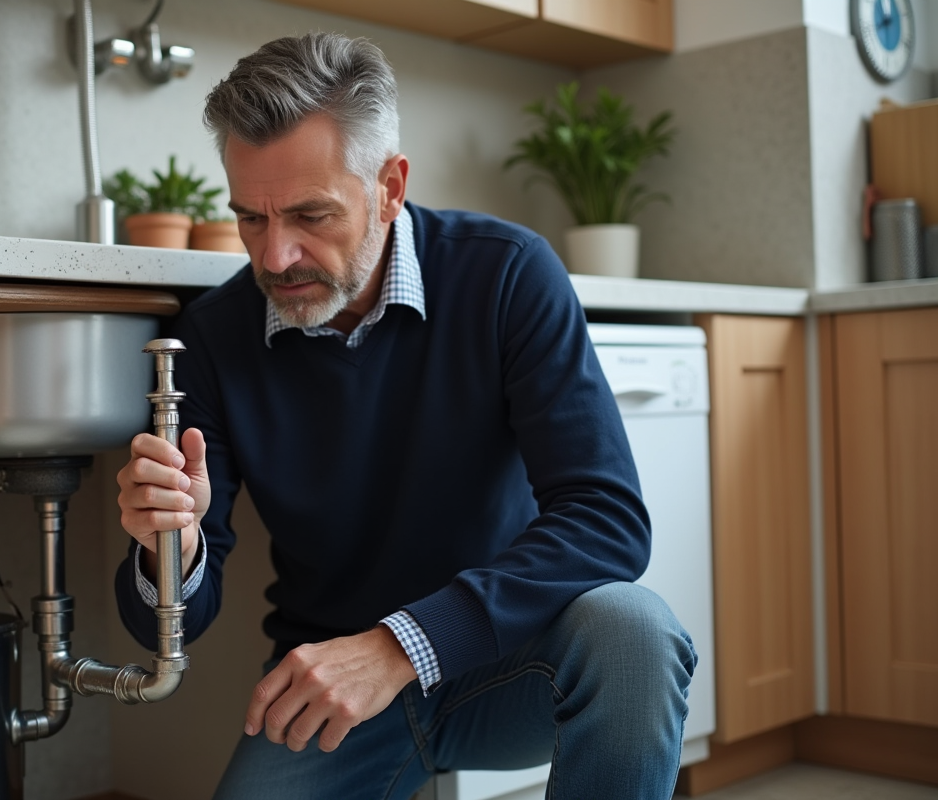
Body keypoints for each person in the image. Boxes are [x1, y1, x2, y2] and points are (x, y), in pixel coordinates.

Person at [115, 32, 696, 800]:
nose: (277, 255)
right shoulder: (213, 339)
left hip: (508, 661)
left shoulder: (508, 275)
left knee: (635, 633)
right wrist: (173, 550)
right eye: (251, 219)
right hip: (330, 700)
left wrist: (400, 647)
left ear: (389, 186)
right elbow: (176, 624)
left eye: (310, 215)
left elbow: (607, 520)